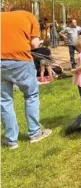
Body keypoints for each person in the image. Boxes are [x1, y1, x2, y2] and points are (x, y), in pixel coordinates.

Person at [1, 9, 52, 149]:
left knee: (4, 101)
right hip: (21, 61)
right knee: (31, 95)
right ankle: (35, 133)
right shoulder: (29, 16)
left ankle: (11, 141)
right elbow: (35, 44)